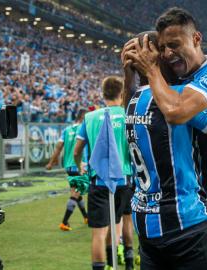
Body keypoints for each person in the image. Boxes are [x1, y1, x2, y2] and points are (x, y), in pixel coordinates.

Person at [123, 8, 207, 269]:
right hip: (187, 197)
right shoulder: (174, 83)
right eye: (163, 48)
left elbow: (179, 112)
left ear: (197, 38)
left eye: (175, 45)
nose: (167, 54)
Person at [74, 76, 133, 270]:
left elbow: (77, 149)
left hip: (99, 181)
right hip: (124, 179)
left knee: (99, 233)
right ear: (121, 93)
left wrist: (80, 164)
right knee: (117, 225)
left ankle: (104, 266)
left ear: (103, 93)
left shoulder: (90, 117)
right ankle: (118, 262)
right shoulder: (128, 115)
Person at [46, 108, 89, 231]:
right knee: (76, 193)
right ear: (82, 117)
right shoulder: (84, 129)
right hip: (80, 166)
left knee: (77, 192)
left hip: (69, 167)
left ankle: (86, 217)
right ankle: (64, 222)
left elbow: (58, 148)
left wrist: (50, 163)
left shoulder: (66, 130)